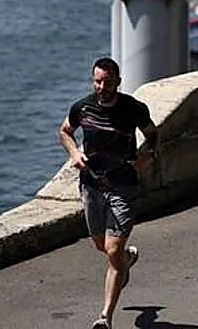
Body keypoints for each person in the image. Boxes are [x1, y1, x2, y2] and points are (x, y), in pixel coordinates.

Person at [60, 57, 160, 329]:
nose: (102, 86)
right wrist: (74, 152)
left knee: (112, 249)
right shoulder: (82, 107)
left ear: (118, 81)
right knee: (102, 246)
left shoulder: (133, 108)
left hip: (123, 184)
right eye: (97, 81)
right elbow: (65, 131)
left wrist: (144, 157)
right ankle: (126, 261)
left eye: (107, 81)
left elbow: (152, 134)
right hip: (92, 184)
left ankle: (105, 317)